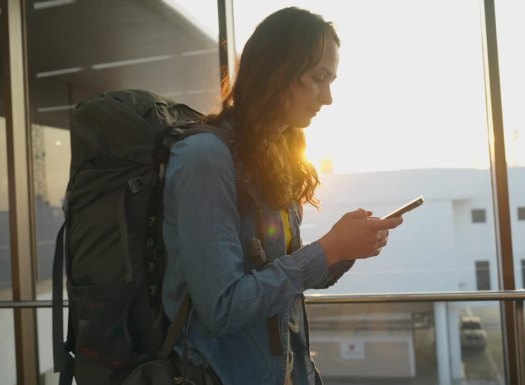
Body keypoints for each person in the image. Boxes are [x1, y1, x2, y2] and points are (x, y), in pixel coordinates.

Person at [161, 7, 403, 385]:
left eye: (332, 80)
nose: (328, 98)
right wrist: (328, 249)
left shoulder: (272, 156)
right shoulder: (205, 158)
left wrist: (342, 250)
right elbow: (223, 308)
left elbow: (283, 278)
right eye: (319, 78)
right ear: (277, 71)